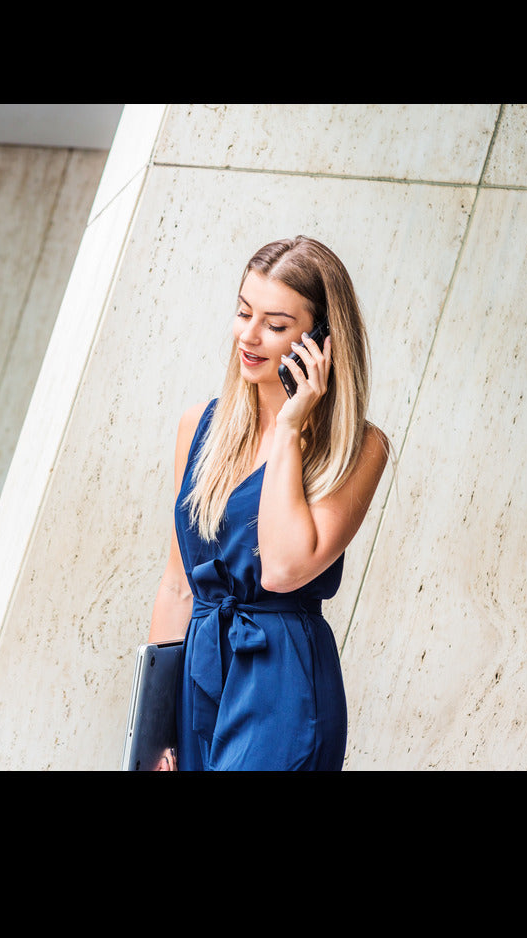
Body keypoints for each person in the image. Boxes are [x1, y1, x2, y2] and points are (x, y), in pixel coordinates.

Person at [148, 236, 389, 771]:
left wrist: (289, 428)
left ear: (321, 340)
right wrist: (154, 727)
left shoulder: (356, 448)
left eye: (275, 325)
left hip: (282, 685)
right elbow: (176, 584)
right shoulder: (200, 426)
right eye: (243, 312)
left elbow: (282, 569)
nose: (250, 336)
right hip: (197, 677)